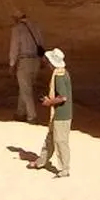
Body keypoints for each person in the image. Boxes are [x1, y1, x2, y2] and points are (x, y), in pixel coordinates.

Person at [27, 48, 72, 178]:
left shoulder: (59, 76)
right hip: (60, 114)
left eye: (47, 61)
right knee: (50, 139)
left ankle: (65, 169)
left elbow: (63, 97)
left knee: (60, 141)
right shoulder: (64, 72)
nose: (46, 62)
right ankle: (41, 161)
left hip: (62, 115)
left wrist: (49, 102)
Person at [9, 9, 44, 123]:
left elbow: (14, 48)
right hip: (36, 61)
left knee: (26, 89)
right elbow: (41, 44)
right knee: (25, 87)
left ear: (16, 18)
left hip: (25, 61)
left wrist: (12, 64)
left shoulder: (17, 29)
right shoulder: (35, 27)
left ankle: (31, 116)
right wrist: (43, 60)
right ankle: (20, 112)